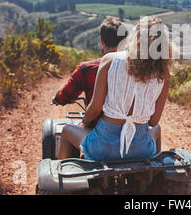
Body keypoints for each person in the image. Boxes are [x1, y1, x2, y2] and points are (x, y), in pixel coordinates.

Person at [58, 16, 171, 161]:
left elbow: (95, 108)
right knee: (157, 129)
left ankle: (64, 179)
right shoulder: (163, 73)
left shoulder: (110, 60)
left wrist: (85, 122)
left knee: (67, 131)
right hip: (141, 150)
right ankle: (153, 174)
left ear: (135, 37)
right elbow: (153, 122)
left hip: (103, 148)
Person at [52, 16, 127, 108]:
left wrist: (57, 99)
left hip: (95, 120)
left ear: (101, 41)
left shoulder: (86, 69)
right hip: (131, 121)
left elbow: (67, 95)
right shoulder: (137, 69)